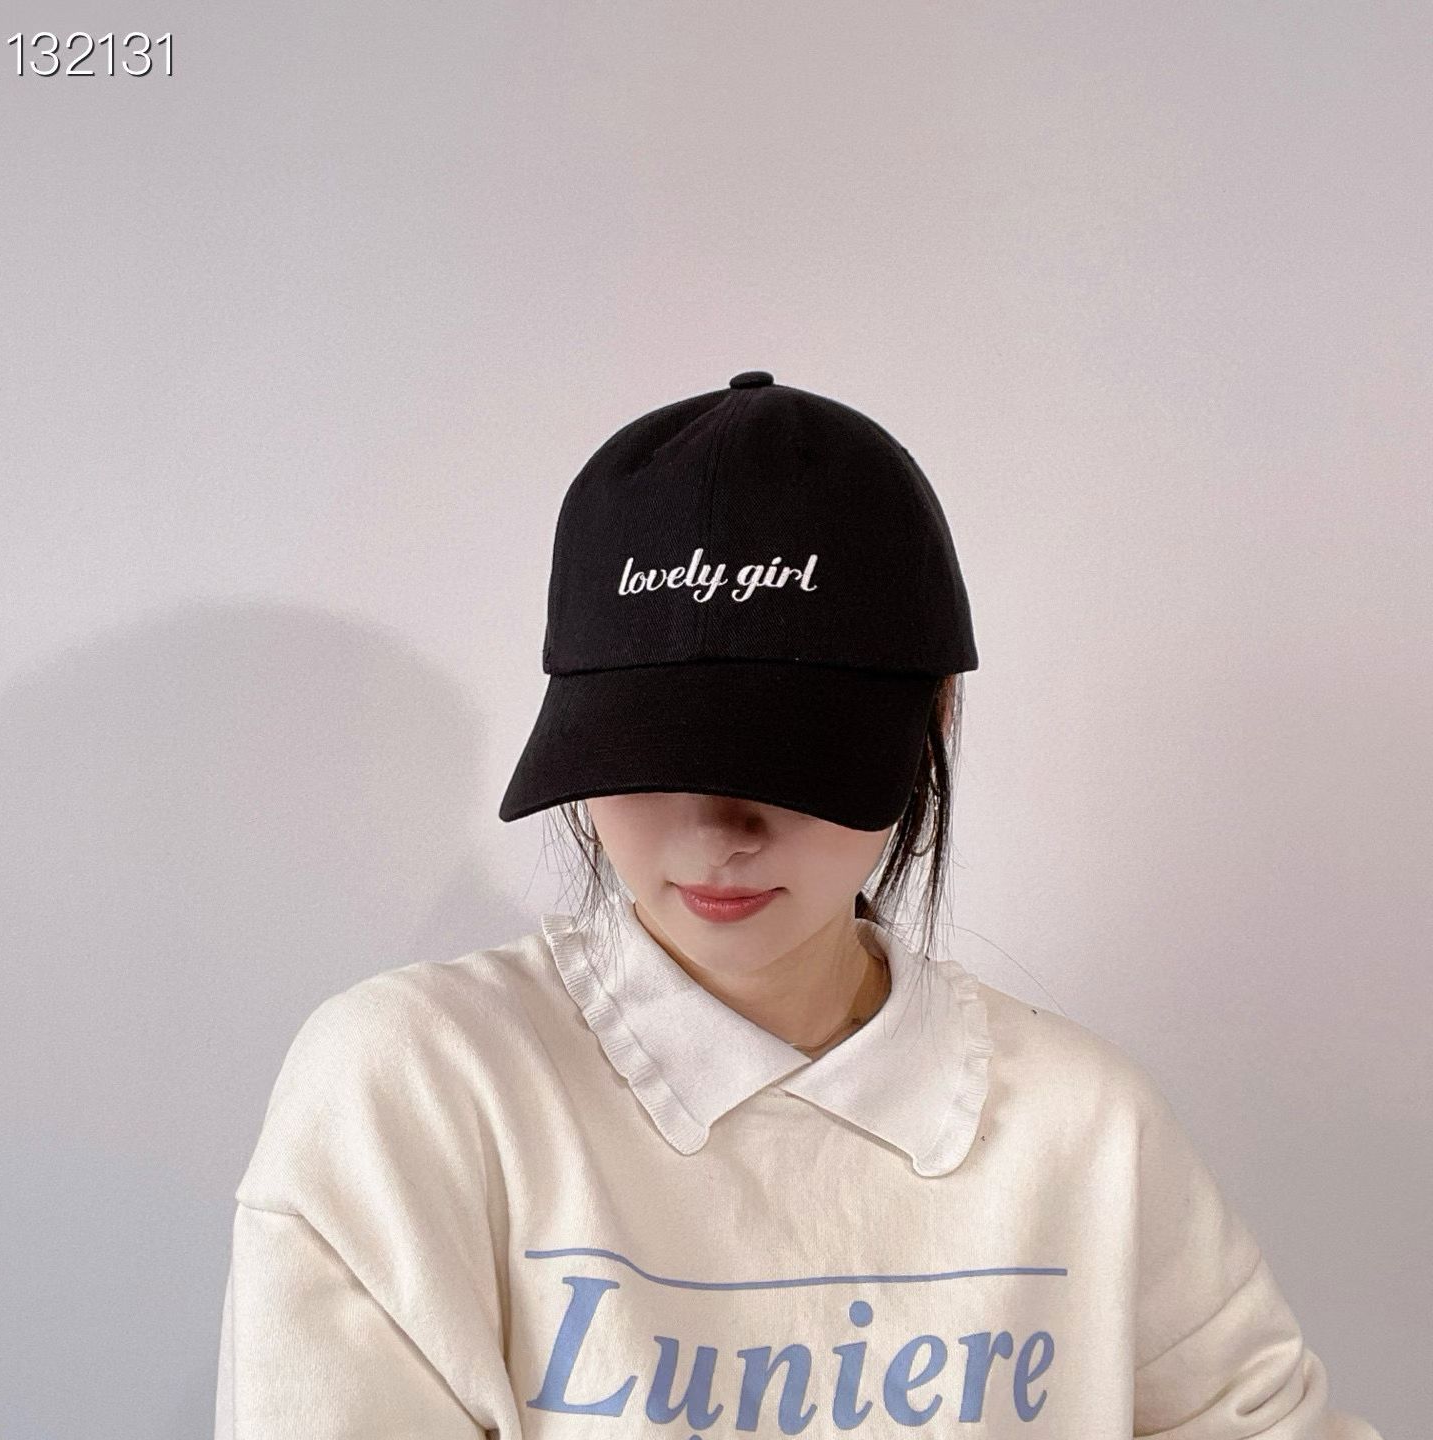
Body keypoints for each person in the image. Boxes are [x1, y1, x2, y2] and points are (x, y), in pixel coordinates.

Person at [214, 372, 1382, 1437]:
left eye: (791, 759)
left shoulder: (1087, 1133)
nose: (720, 831)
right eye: (652, 753)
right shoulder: (417, 1090)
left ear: (936, 716)